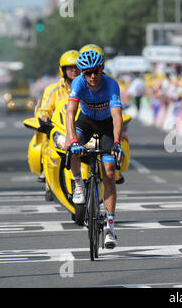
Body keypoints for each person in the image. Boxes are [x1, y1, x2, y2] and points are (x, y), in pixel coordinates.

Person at [66, 50, 124, 249]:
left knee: (109, 173)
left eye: (96, 72)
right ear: (83, 73)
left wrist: (116, 142)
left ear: (102, 70)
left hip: (107, 124)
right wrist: (73, 140)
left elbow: (117, 115)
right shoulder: (78, 83)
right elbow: (70, 113)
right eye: (88, 72)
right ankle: (79, 184)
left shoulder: (111, 84)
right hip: (86, 122)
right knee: (71, 145)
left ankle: (110, 226)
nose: (92, 76)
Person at [34, 50, 80, 181]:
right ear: (63, 70)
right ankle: (45, 168)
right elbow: (44, 110)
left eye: (77, 67)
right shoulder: (53, 89)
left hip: (82, 128)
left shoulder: (88, 87)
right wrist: (44, 118)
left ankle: (114, 171)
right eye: (69, 68)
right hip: (60, 129)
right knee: (45, 135)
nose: (74, 70)